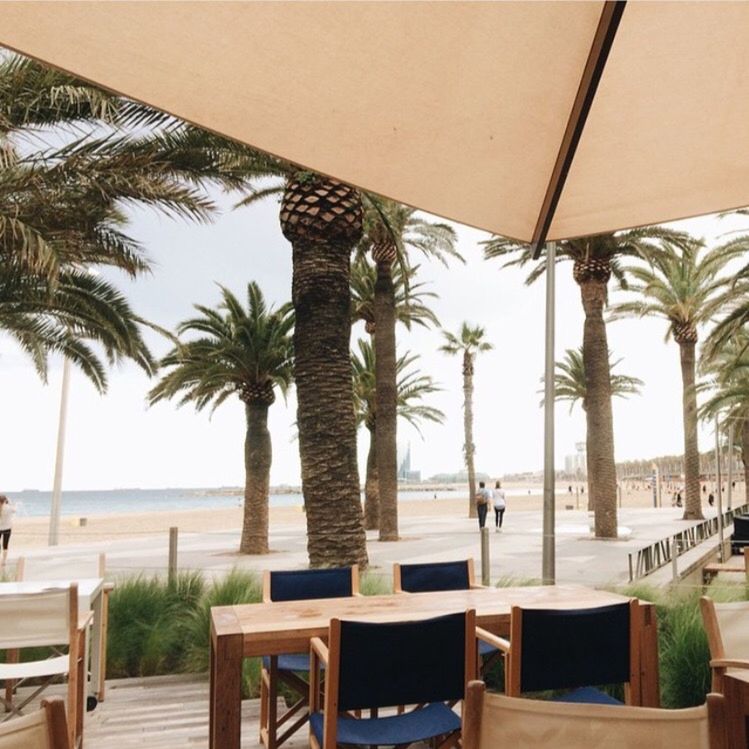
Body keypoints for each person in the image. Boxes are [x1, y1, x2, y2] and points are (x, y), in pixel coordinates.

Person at [0, 495, 15, 569]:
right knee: (5, 545)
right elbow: (15, 510)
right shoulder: (8, 508)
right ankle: (3, 561)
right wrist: (9, 502)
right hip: (7, 528)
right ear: (5, 500)